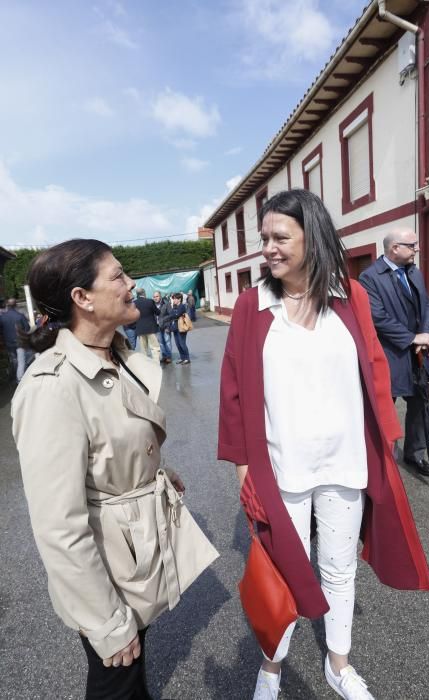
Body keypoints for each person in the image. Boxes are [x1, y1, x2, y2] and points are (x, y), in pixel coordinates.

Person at [218, 190, 429, 700]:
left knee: (338, 568)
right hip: (280, 465)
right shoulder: (253, 305)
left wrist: (386, 438)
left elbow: (373, 368)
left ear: (311, 238)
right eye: (264, 238)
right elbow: (233, 389)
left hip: (345, 461)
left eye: (279, 237)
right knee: (282, 571)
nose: (267, 249)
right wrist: (243, 467)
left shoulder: (351, 297)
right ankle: (270, 668)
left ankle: (339, 664)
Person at [11, 239, 217, 699]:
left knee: (130, 673)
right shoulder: (52, 387)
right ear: (82, 298)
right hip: (108, 573)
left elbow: (114, 442)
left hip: (133, 557)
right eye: (119, 276)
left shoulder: (115, 355)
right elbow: (58, 527)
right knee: (116, 683)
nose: (133, 284)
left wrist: (154, 472)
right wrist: (105, 622)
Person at [358, 228, 429, 476]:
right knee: (383, 410)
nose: (417, 249)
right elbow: (377, 317)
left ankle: (414, 455)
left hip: (418, 355)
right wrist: (412, 338)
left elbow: (426, 304)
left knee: (419, 407)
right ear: (394, 249)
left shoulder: (414, 271)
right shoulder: (369, 277)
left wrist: (427, 333)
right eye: (412, 245)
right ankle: (383, 460)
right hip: (390, 357)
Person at [0, 298, 30, 383]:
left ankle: (13, 378)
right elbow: (27, 328)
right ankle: (19, 379)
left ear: (8, 306)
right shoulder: (20, 316)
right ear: (16, 305)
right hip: (19, 341)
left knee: (14, 360)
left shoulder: (2, 317)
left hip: (8, 342)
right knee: (21, 361)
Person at [134, 288, 160, 361]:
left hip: (140, 329)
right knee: (154, 347)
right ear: (144, 293)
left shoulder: (134, 303)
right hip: (151, 328)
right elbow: (157, 312)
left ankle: (146, 365)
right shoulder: (150, 301)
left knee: (143, 349)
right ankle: (156, 364)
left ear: (137, 294)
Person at [168, 293, 190, 365]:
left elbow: (176, 315)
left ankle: (187, 358)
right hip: (175, 328)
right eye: (173, 299)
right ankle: (182, 358)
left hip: (181, 328)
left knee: (182, 343)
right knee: (178, 344)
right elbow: (171, 315)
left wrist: (174, 315)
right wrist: (174, 314)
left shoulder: (182, 306)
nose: (173, 300)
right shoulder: (174, 306)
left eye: (175, 299)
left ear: (179, 299)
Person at [153, 291, 173, 363]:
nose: (156, 298)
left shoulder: (166, 303)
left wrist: (168, 326)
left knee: (167, 342)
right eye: (154, 297)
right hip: (157, 327)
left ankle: (169, 357)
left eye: (157, 296)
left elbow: (171, 315)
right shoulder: (153, 305)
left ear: (160, 296)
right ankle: (164, 356)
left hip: (166, 326)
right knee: (161, 342)